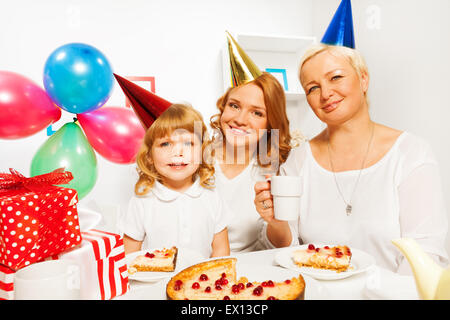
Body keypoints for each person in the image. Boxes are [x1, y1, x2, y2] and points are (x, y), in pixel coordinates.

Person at [254, 43, 449, 274]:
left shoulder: (411, 154)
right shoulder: (299, 160)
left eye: (335, 77)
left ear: (363, 79)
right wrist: (276, 222)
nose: (325, 94)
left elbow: (425, 253)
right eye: (312, 88)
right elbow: (288, 250)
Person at [120, 103, 230, 258]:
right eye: (165, 144)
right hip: (155, 281)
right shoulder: (142, 201)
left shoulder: (212, 196)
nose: (178, 152)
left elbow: (221, 251)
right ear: (149, 156)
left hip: (200, 280)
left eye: (188, 143)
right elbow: (129, 255)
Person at [210, 71, 292, 252]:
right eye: (234, 106)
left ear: (271, 123)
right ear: (223, 108)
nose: (239, 120)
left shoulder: (274, 172)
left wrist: (275, 221)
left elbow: (280, 248)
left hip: (245, 273)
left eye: (256, 113)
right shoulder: (190, 160)